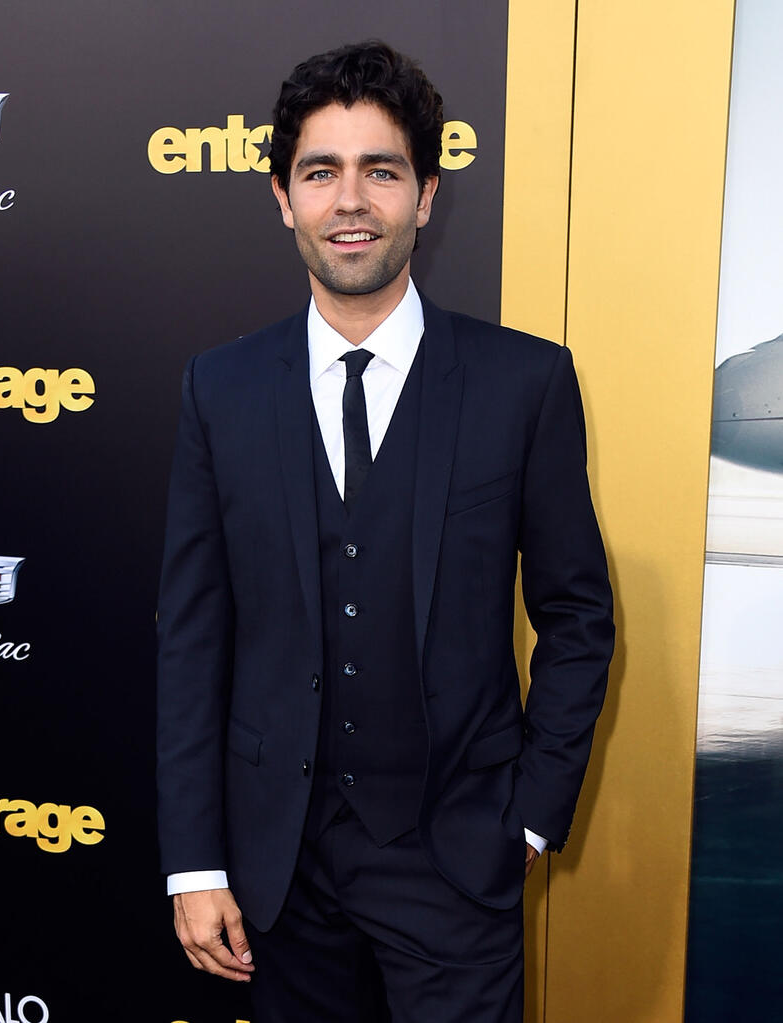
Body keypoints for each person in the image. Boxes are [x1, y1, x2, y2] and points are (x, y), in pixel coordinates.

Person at [157, 40, 614, 1023]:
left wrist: (530, 818)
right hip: (276, 868)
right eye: (321, 171)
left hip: (457, 859)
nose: (350, 200)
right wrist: (194, 862)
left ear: (427, 195)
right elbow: (192, 641)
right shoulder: (219, 390)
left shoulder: (522, 385)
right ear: (283, 196)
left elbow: (577, 616)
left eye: (382, 170)